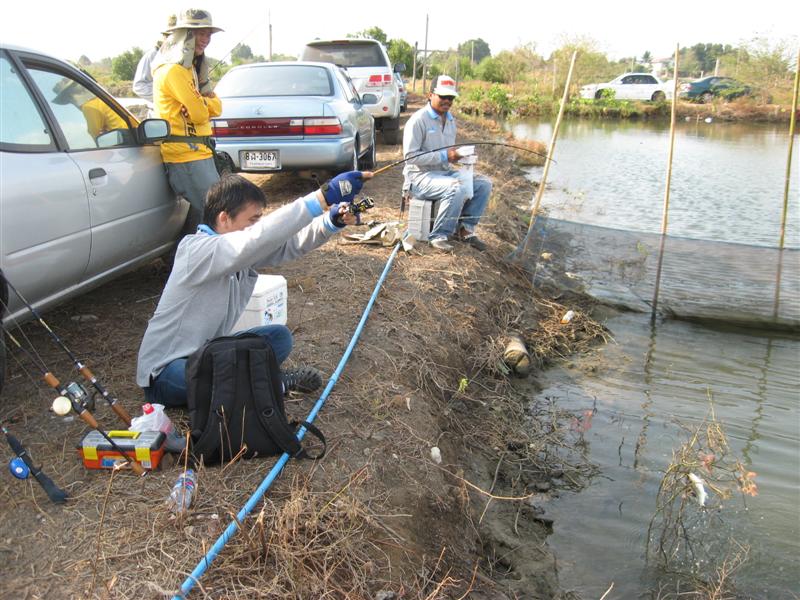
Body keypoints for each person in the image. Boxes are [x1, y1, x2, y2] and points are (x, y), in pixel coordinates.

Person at [136, 170, 370, 408]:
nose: (257, 226)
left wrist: (330, 222)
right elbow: (258, 239)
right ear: (224, 218)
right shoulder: (196, 250)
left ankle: (253, 384)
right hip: (165, 372)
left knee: (278, 338)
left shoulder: (240, 254)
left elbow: (289, 244)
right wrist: (320, 198)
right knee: (199, 376)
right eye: (252, 220)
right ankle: (270, 384)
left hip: (209, 357)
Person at [402, 75, 493, 252]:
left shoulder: (451, 121)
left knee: (483, 184)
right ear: (430, 95)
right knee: (455, 187)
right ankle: (438, 236)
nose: (447, 101)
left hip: (443, 173)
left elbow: (449, 155)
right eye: (442, 96)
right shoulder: (418, 120)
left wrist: (462, 157)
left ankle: (465, 230)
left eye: (450, 98)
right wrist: (446, 156)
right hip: (418, 177)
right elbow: (410, 157)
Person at [152, 8, 223, 232]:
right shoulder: (173, 71)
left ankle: (188, 261)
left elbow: (216, 106)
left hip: (199, 151)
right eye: (199, 33)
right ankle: (198, 262)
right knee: (215, 210)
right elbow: (200, 114)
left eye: (208, 34)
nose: (205, 39)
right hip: (185, 154)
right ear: (184, 35)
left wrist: (203, 102)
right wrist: (204, 104)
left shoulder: (190, 69)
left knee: (203, 214)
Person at [132, 14, 177, 102]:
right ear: (164, 37)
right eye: (168, 36)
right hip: (157, 112)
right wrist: (166, 95)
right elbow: (139, 86)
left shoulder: (188, 58)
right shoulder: (153, 55)